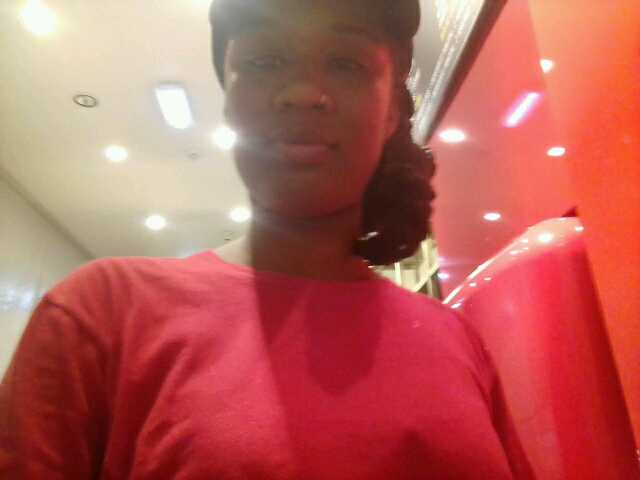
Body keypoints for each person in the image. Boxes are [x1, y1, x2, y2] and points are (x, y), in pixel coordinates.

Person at [0, 0, 535, 478]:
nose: (302, 93)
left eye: (346, 63)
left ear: (391, 110)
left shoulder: (456, 339)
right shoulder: (102, 315)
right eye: (263, 61)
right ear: (228, 100)